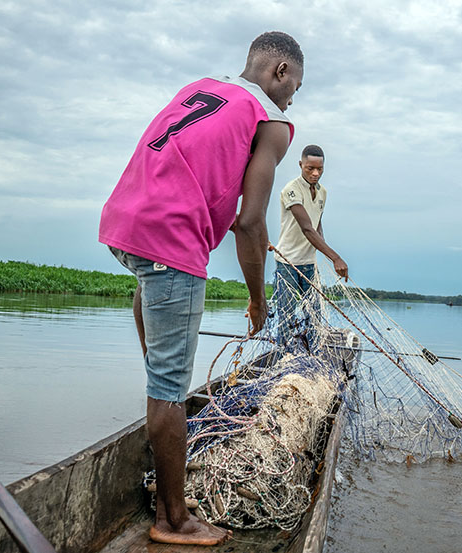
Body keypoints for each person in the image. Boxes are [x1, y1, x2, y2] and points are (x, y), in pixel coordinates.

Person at [98, 31, 303, 546]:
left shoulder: (201, 87)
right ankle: (172, 518)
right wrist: (258, 299)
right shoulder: (273, 121)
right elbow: (251, 221)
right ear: (279, 70)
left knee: (161, 373)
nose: (293, 98)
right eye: (295, 86)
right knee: (169, 387)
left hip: (125, 222)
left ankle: (168, 479)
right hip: (172, 238)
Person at [273, 145, 348, 346]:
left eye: (320, 169)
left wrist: (323, 252)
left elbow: (317, 225)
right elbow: (307, 228)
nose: (315, 173)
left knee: (314, 315)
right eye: (310, 168)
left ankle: (314, 360)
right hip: (287, 262)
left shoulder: (323, 192)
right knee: (286, 316)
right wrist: (336, 257)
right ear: (301, 165)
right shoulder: (291, 190)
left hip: (309, 263)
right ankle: (284, 359)